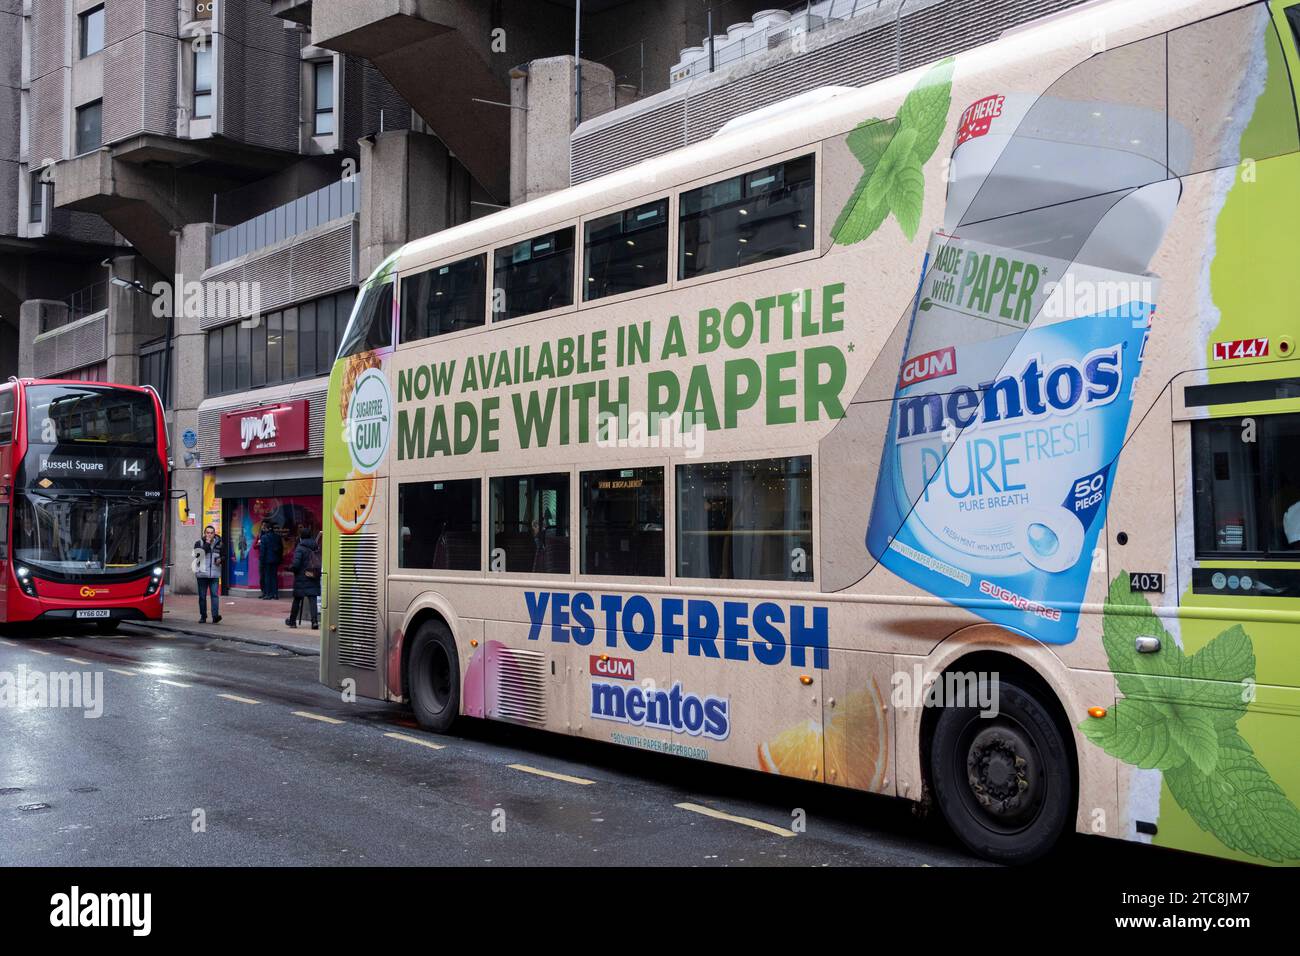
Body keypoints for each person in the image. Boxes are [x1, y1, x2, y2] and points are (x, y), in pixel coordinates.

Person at [286, 524, 321, 629]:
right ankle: (314, 622)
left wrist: (290, 568)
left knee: (297, 599)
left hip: (302, 577)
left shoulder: (300, 548)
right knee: (312, 599)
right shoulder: (316, 546)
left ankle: (292, 621)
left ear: (301, 536)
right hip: (313, 575)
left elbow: (296, 565)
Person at [192, 525, 223, 624]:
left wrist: (220, 560)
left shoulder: (220, 543)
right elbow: (198, 555)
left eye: (211, 533)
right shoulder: (199, 543)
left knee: (215, 595)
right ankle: (203, 616)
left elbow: (225, 556)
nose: (209, 535)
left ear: (214, 534)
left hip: (214, 574)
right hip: (202, 574)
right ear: (204, 534)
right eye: (207, 533)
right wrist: (207, 544)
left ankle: (215, 616)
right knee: (202, 596)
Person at [257, 521, 283, 599]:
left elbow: (262, 551)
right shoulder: (277, 537)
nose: (264, 529)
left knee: (267, 576)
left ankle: (268, 594)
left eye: (265, 528)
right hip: (275, 560)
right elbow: (281, 548)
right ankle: (275, 594)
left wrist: (261, 560)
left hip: (267, 561)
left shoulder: (264, 538)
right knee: (274, 576)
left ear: (268, 529)